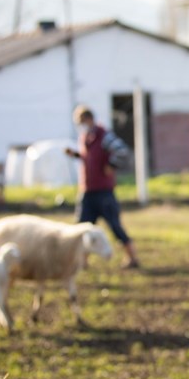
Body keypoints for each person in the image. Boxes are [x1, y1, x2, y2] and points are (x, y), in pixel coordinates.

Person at [64, 104, 140, 269]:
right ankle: (82, 261)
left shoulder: (103, 135)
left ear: (89, 118)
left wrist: (111, 165)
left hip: (104, 191)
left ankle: (132, 257)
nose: (81, 125)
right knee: (81, 228)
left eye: (82, 121)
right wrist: (76, 155)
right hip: (87, 190)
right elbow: (89, 158)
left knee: (115, 225)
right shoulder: (85, 137)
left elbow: (122, 150)